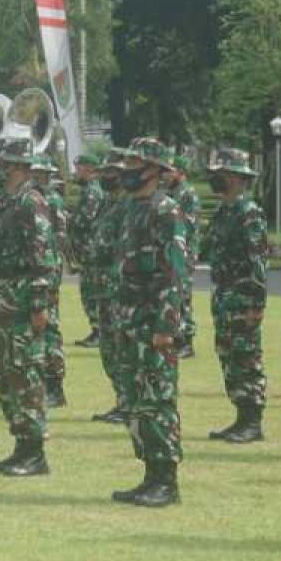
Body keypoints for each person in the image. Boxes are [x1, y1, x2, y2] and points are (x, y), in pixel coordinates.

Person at [109, 138, 188, 507]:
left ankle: (166, 481)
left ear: (155, 169)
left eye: (136, 162)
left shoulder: (165, 211)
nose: (128, 169)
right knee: (136, 399)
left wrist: (165, 326)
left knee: (157, 399)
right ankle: (149, 474)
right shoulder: (131, 209)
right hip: (128, 320)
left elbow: (174, 274)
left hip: (152, 321)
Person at [0, 146, 56, 477]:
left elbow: (42, 258)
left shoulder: (31, 202)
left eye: (0, 163)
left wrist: (40, 305)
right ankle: (21, 446)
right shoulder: (5, 201)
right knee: (6, 374)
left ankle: (34, 451)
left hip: (23, 301)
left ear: (15, 166)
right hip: (2, 301)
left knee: (25, 374)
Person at [200, 148, 268, 444]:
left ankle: (252, 422)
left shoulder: (248, 212)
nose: (217, 178)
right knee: (228, 357)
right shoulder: (222, 213)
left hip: (243, 298)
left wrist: (256, 302)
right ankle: (241, 418)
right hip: (224, 298)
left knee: (245, 357)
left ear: (238, 178)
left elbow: (257, 260)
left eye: (222, 174)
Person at [90, 150, 135, 424]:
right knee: (108, 348)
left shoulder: (129, 205)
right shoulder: (108, 203)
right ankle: (122, 400)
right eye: (105, 173)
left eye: (112, 173)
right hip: (103, 287)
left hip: (119, 288)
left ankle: (129, 404)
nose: (107, 177)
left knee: (122, 348)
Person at [30, 154, 67, 408]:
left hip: (49, 267)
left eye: (42, 173)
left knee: (49, 325)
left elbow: (60, 234)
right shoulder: (29, 198)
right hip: (39, 265)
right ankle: (43, 381)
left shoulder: (50, 198)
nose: (38, 177)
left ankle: (55, 384)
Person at [67, 153, 105, 347]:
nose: (76, 171)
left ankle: (99, 331)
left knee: (91, 292)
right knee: (89, 291)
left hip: (91, 250)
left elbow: (85, 220)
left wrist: (65, 218)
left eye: (79, 167)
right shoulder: (90, 190)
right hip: (87, 250)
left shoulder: (92, 191)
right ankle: (96, 330)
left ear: (89, 169)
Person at [166, 153, 201, 358]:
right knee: (174, 293)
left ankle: (186, 341)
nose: (167, 174)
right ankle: (177, 336)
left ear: (180, 172)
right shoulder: (172, 192)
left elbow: (188, 224)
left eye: (171, 170)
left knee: (183, 294)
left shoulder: (187, 194)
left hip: (185, 251)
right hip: (173, 250)